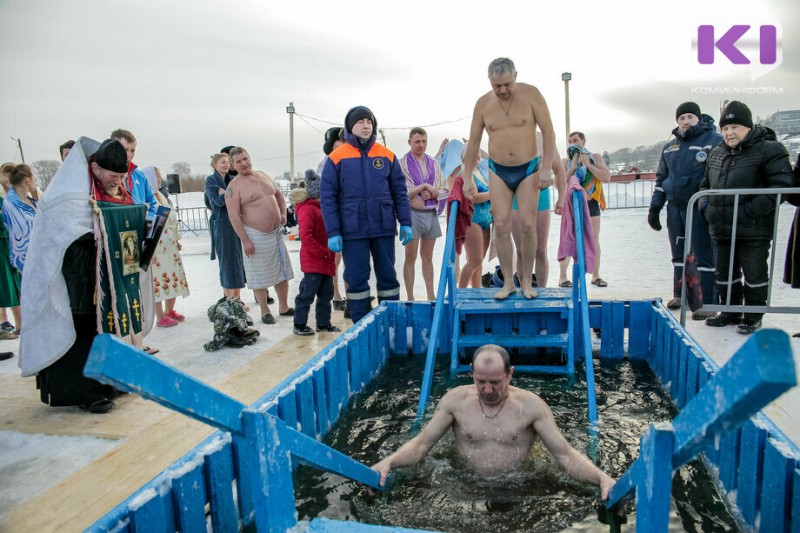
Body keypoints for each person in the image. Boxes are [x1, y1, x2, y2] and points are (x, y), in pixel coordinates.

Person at [371, 344, 616, 499]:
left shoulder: (531, 407)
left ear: (510, 374)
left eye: (496, 382)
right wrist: (388, 462)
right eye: (481, 382)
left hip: (519, 488)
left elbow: (566, 457)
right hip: (465, 487)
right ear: (471, 373)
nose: (487, 390)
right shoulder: (455, 401)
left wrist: (602, 478)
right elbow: (422, 444)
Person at [22, 138, 144, 414]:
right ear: (96, 167)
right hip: (75, 275)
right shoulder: (67, 194)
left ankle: (109, 383)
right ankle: (84, 391)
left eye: (121, 177)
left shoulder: (108, 187)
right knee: (82, 330)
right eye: (113, 176)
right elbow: (61, 235)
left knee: (108, 326)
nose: (117, 182)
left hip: (107, 272)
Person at [461, 57, 555, 300]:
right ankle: (508, 283)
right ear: (490, 82)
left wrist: (546, 169)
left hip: (528, 169)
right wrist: (467, 177)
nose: (502, 90)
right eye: (497, 86)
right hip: (498, 169)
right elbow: (473, 142)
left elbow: (548, 132)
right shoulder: (483, 104)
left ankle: (526, 281)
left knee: (527, 224)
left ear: (515, 76)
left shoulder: (532, 95)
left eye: (507, 84)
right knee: (501, 225)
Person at [699, 101, 794, 334]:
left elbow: (780, 187)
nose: (729, 132)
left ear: (748, 127)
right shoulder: (717, 151)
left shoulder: (770, 149)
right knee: (724, 272)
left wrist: (749, 212)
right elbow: (705, 185)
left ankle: (752, 315)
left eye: (735, 127)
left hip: (753, 227)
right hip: (721, 226)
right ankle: (729, 311)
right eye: (725, 128)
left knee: (754, 272)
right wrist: (706, 208)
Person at [320, 106, 412, 323]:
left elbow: (399, 191)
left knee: (388, 276)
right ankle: (360, 323)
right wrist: (333, 231)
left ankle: (392, 319)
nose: (366, 125)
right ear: (350, 127)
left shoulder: (387, 155)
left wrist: (405, 222)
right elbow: (328, 197)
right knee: (357, 278)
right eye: (360, 122)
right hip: (353, 229)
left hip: (383, 227)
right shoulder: (336, 158)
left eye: (369, 122)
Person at [648, 102, 722, 319]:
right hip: (676, 207)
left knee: (703, 255)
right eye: (682, 118)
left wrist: (710, 204)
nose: (686, 121)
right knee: (678, 255)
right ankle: (681, 294)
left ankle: (706, 302)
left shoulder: (713, 141)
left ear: (698, 118)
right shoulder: (670, 146)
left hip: (700, 206)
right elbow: (662, 178)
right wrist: (655, 207)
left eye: (690, 116)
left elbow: (717, 176)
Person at [225, 147, 294, 324]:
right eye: (238, 161)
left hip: (275, 233)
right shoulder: (233, 187)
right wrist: (245, 240)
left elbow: (277, 194)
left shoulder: (263, 175)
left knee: (282, 271)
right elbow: (233, 216)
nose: (243, 163)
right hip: (254, 235)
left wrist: (283, 214)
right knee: (259, 275)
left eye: (245, 159)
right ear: (232, 165)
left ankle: (284, 306)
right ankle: (264, 311)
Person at [511, 132, 566, 288]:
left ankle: (542, 290)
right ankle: (524, 288)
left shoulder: (543, 137)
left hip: (540, 194)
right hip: (517, 195)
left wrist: (561, 198)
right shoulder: (511, 135)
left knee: (540, 250)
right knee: (521, 250)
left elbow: (559, 171)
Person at [290, 170, 341, 336]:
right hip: (314, 260)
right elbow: (306, 237)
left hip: (326, 260)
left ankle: (323, 323)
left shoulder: (321, 209)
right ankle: (299, 323)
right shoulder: (307, 210)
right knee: (307, 293)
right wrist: (322, 252)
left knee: (326, 294)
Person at [399, 127, 447, 301]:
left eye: (424, 141)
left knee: (428, 257)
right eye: (417, 141)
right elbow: (401, 192)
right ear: (410, 142)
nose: (421, 145)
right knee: (410, 256)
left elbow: (444, 189)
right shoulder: (402, 163)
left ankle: (431, 294)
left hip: (430, 214)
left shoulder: (433, 163)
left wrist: (433, 193)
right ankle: (410, 296)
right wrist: (423, 187)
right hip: (411, 214)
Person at [558, 131, 611, 288]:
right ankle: (563, 277)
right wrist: (572, 167)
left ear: (583, 141)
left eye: (575, 140)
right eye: (569, 141)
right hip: (572, 204)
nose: (572, 143)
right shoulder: (565, 160)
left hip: (591, 202)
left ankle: (596, 275)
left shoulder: (595, 157)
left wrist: (588, 165)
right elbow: (558, 182)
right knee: (570, 237)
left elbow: (606, 177)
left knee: (594, 238)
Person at [143, 166, 190, 328]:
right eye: (156, 177)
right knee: (158, 280)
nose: (159, 179)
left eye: (159, 176)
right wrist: (148, 249)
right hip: (156, 246)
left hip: (168, 245)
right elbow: (147, 225)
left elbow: (170, 219)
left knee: (173, 275)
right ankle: (160, 316)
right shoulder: (145, 197)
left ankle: (170, 310)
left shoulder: (161, 196)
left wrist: (176, 239)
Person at [205, 153, 246, 301]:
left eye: (228, 162)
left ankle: (238, 298)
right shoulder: (211, 181)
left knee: (238, 261)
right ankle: (229, 299)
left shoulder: (232, 179)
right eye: (223, 162)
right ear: (214, 165)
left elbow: (241, 198)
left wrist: (227, 192)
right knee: (227, 262)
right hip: (222, 224)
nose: (227, 165)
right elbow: (218, 201)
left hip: (236, 223)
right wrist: (230, 193)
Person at [453, 141, 493, 288]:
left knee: (479, 261)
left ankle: (477, 292)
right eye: (471, 155)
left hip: (485, 220)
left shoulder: (479, 172)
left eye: (477, 155)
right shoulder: (465, 172)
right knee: (474, 260)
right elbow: (474, 197)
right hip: (473, 220)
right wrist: (495, 193)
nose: (475, 158)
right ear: (463, 158)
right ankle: (461, 292)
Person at [317, 127, 347, 311]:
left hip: (350, 215)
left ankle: (351, 294)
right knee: (334, 259)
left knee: (351, 259)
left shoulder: (349, 159)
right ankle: (336, 295)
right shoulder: (325, 164)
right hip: (334, 216)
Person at [110, 129, 157, 219]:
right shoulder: (104, 176)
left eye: (132, 150)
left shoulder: (140, 176)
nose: (129, 155)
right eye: (125, 150)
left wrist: (149, 220)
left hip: (140, 230)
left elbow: (152, 204)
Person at [2, 164, 39, 275]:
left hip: (39, 255)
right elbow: (20, 234)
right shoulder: (11, 203)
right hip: (28, 260)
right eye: (34, 178)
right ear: (27, 180)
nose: (35, 182)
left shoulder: (30, 200)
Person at [0, 164, 21, 345]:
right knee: (6, 285)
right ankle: (5, 321)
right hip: (4, 245)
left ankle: (20, 323)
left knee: (13, 285)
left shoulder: (19, 197)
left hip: (11, 246)